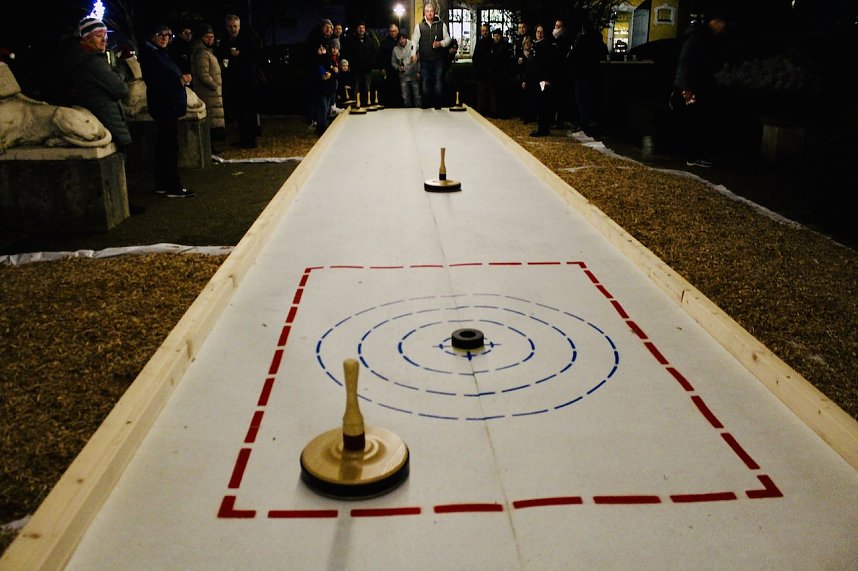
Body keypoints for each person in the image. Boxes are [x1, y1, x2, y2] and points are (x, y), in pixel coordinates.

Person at [138, 23, 194, 198]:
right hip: (165, 106)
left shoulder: (160, 53)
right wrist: (180, 81)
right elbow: (157, 83)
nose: (164, 38)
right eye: (160, 34)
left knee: (164, 146)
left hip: (168, 105)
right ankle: (173, 186)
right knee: (169, 147)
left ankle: (162, 183)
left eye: (168, 35)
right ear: (152, 36)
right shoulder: (152, 56)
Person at [66, 17, 132, 152]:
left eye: (104, 35)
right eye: (98, 36)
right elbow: (121, 89)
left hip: (104, 121)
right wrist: (118, 71)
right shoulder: (93, 62)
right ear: (86, 39)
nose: (104, 40)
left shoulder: (86, 59)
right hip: (109, 122)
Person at [673, 13, 730, 167]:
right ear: (716, 21)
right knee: (695, 119)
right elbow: (686, 61)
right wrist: (686, 87)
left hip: (695, 85)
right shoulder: (699, 36)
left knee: (696, 118)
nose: (723, 28)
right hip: (693, 86)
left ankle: (693, 154)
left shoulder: (701, 35)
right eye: (722, 24)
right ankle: (693, 155)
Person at [216, 14, 264, 149]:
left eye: (235, 26)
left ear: (239, 26)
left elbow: (257, 55)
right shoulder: (225, 40)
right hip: (234, 82)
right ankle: (243, 138)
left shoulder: (248, 39)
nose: (233, 29)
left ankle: (251, 139)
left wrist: (241, 55)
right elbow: (221, 55)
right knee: (239, 112)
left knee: (250, 110)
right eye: (230, 27)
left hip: (248, 81)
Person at [190, 23, 225, 148]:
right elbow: (203, 74)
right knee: (210, 122)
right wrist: (214, 85)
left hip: (211, 93)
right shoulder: (202, 53)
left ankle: (212, 146)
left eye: (212, 36)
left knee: (212, 121)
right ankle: (210, 147)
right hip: (208, 93)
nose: (210, 39)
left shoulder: (206, 51)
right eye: (207, 37)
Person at [570, 21, 608, 134]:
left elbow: (574, 55)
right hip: (594, 74)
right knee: (591, 100)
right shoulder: (598, 41)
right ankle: (591, 123)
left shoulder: (582, 40)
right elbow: (603, 53)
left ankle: (584, 124)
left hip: (582, 74)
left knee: (581, 100)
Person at [412, 3, 451, 110]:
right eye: (427, 11)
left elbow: (448, 40)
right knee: (425, 83)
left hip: (438, 59)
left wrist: (440, 43)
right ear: (424, 13)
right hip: (425, 59)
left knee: (438, 82)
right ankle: (426, 105)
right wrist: (413, 53)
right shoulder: (419, 26)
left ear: (435, 12)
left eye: (431, 11)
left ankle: (438, 106)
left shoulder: (441, 25)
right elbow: (414, 41)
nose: (429, 13)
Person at [522, 25, 554, 137]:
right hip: (534, 80)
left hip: (542, 80)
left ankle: (543, 128)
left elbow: (550, 65)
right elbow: (530, 64)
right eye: (537, 32)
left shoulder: (547, 46)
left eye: (541, 32)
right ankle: (541, 127)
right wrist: (525, 79)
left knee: (542, 104)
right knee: (537, 103)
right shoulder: (535, 45)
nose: (539, 34)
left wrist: (547, 79)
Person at [341, 21, 376, 108]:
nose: (361, 29)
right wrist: (350, 64)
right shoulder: (351, 40)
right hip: (355, 70)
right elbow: (347, 53)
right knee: (355, 89)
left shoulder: (369, 40)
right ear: (356, 29)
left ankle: (367, 105)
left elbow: (374, 52)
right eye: (359, 28)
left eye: (363, 28)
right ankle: (354, 106)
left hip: (367, 69)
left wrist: (371, 63)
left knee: (368, 89)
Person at [485, 28, 513, 118]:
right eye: (495, 36)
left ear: (500, 36)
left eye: (497, 36)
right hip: (493, 73)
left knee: (502, 93)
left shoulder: (504, 46)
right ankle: (495, 111)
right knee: (494, 94)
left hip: (502, 73)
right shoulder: (491, 46)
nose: (496, 38)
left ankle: (502, 112)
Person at [376, 24, 402, 107]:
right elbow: (380, 57)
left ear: (398, 31)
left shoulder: (401, 41)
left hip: (400, 70)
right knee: (389, 89)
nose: (393, 33)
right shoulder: (385, 43)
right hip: (389, 69)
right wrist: (382, 68)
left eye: (394, 31)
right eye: (391, 31)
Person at [391, 32, 420, 108]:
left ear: (406, 38)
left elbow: (419, 59)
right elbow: (393, 62)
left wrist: (419, 71)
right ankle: (407, 113)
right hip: (403, 76)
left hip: (414, 74)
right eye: (400, 39)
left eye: (403, 38)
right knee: (405, 97)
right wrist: (398, 67)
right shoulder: (395, 49)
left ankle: (419, 112)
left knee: (417, 96)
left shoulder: (413, 46)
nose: (402, 41)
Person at [471, 23, 493, 115]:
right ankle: (481, 111)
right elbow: (475, 57)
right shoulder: (479, 43)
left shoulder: (492, 43)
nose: (484, 32)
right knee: (481, 93)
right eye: (483, 31)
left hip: (490, 72)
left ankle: (492, 111)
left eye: (486, 31)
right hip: (481, 72)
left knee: (491, 93)